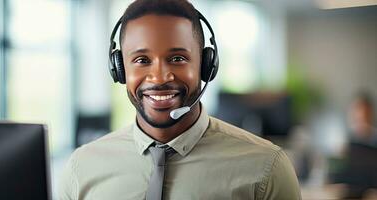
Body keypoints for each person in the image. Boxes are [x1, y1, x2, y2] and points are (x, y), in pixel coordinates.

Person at [60, 0, 301, 199]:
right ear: (119, 69)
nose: (159, 77)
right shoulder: (81, 169)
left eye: (177, 59)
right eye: (142, 60)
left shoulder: (267, 169)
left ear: (206, 66)